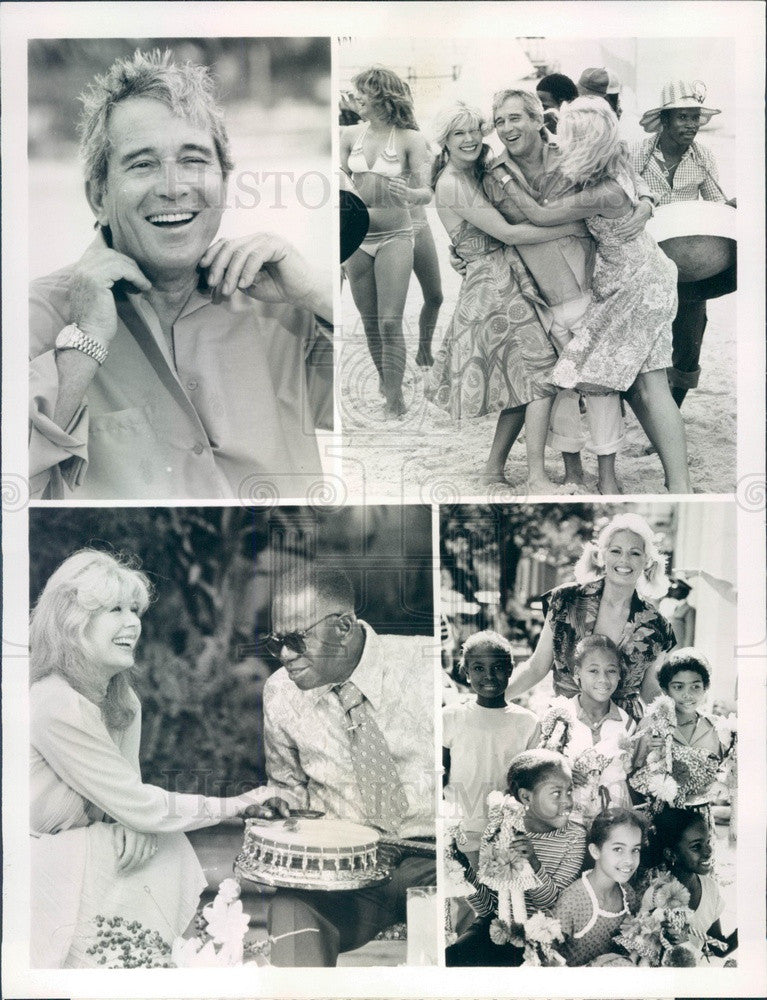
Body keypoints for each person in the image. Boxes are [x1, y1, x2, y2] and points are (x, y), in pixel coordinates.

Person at [29, 49, 332, 501]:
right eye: (142, 164)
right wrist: (85, 343)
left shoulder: (285, 304)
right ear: (99, 196)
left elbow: (388, 419)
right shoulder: (38, 315)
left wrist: (318, 294)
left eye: (194, 160)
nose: (174, 188)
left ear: (224, 183)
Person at [29, 550, 279, 968]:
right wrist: (238, 804)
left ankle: (147, 962)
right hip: (34, 855)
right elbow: (137, 804)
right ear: (72, 623)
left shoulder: (122, 699)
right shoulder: (54, 702)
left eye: (134, 610)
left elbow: (126, 802)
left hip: (83, 843)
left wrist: (135, 823)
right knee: (166, 847)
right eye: (114, 610)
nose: (132, 623)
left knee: (162, 844)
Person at [498, 96, 693, 493]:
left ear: (583, 141)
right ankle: (679, 482)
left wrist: (502, 179)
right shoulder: (616, 161)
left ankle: (680, 482)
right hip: (642, 276)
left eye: (567, 135)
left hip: (636, 284)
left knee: (644, 384)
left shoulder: (600, 191)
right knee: (646, 383)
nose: (559, 141)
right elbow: (640, 183)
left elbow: (538, 215)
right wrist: (647, 202)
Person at [261, 566, 435, 966]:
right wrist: (277, 816)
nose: (285, 655)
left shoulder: (424, 666)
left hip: (430, 858)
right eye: (276, 643)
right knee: (289, 907)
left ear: (342, 626)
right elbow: (287, 788)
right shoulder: (280, 693)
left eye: (295, 640)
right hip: (341, 871)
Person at [427, 101, 589, 493]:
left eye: (472, 131)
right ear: (445, 141)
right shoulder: (451, 182)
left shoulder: (477, 172)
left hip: (505, 276)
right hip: (493, 285)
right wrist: (576, 225)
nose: (468, 139)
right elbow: (510, 234)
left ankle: (493, 470)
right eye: (457, 133)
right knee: (541, 377)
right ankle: (534, 476)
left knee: (522, 382)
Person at [507, 512, 677, 722]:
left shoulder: (657, 625)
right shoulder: (565, 600)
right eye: (616, 551)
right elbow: (536, 667)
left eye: (635, 553)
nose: (624, 560)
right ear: (602, 555)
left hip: (624, 731)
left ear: (647, 561)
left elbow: (649, 688)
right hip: (566, 722)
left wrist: (676, 719)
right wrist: (494, 701)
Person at [632, 79, 735, 408]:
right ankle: (638, 406)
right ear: (664, 120)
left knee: (689, 339)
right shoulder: (637, 156)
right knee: (640, 338)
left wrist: (730, 208)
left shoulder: (703, 157)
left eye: (694, 117)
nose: (691, 124)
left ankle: (672, 410)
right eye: (682, 117)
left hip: (688, 265)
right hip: (645, 260)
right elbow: (622, 205)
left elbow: (715, 206)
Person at [340, 67, 433, 417]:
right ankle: (387, 383)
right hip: (356, 237)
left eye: (362, 92)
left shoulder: (410, 139)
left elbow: (427, 192)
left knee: (389, 322)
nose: (356, 98)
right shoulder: (349, 135)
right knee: (368, 322)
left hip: (396, 234)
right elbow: (338, 189)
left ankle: (395, 399)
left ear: (382, 95)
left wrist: (409, 192)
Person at [446, 749, 586, 966]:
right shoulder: (502, 830)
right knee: (451, 958)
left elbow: (551, 904)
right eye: (557, 793)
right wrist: (464, 873)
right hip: (499, 928)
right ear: (525, 797)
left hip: (542, 934)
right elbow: (488, 909)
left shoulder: (574, 837)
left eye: (570, 791)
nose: (568, 801)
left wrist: (533, 861)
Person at [442, 631, 541, 869]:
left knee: (505, 902)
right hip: (461, 831)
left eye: (497, 667)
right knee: (466, 897)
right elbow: (440, 774)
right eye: (478, 668)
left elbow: (532, 783)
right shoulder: (451, 717)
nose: (488, 676)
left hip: (508, 834)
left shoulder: (527, 722)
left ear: (510, 670)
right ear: (465, 672)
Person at [552, 635, 636, 824]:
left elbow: (632, 773)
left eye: (611, 671)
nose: (603, 679)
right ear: (577, 673)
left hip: (614, 819)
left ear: (620, 675)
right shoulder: (560, 716)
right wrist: (560, 772)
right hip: (569, 818)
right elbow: (542, 767)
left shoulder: (628, 724)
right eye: (593, 671)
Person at [635, 649, 725, 817]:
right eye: (678, 687)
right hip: (657, 818)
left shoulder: (717, 728)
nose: (687, 694)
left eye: (695, 686)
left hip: (700, 820)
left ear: (706, 687)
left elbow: (726, 775)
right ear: (665, 689)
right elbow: (632, 774)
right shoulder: (651, 725)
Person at [643, 808, 737, 961]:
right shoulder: (655, 897)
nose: (708, 851)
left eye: (707, 842)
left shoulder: (710, 887)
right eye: (696, 846)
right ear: (671, 854)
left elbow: (717, 948)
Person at [555, 807, 643, 966]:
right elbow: (546, 958)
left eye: (635, 850)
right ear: (595, 851)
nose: (629, 860)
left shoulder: (628, 895)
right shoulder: (573, 901)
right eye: (618, 849)